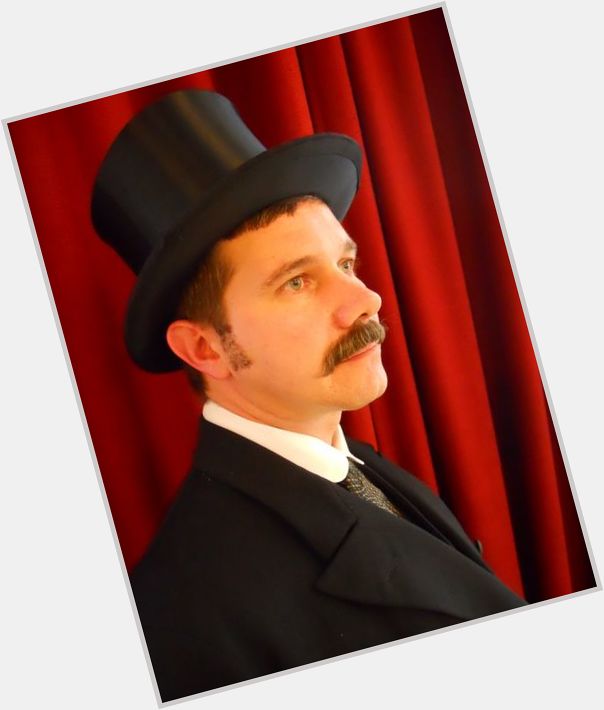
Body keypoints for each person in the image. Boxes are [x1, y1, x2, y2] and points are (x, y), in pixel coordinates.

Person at [91, 89, 526, 702]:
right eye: (297, 282)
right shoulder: (183, 617)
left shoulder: (363, 469)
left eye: (345, 264)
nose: (366, 300)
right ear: (205, 349)